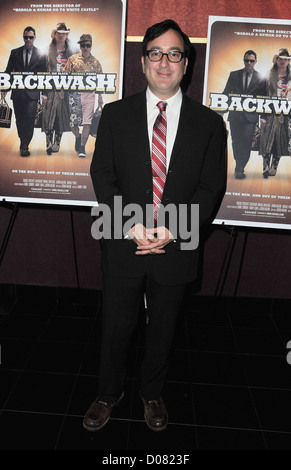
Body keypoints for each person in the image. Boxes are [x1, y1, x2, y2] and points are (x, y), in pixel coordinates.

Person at [84, 19, 226, 433]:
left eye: (174, 54)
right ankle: (108, 393)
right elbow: (103, 175)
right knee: (115, 326)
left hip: (176, 246)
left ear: (186, 64)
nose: (164, 62)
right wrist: (132, 225)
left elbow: (210, 188)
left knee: (163, 328)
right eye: (155, 53)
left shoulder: (209, 124)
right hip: (123, 241)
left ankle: (152, 393)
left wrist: (172, 230)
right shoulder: (114, 115)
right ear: (143, 63)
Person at [222, 50, 267, 179]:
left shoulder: (261, 78)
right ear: (244, 60)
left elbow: (264, 98)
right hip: (235, 115)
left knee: (246, 142)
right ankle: (239, 164)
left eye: (251, 61)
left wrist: (263, 117)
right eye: (246, 60)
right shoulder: (234, 75)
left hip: (251, 117)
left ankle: (240, 167)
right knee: (236, 141)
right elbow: (226, 93)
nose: (249, 63)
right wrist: (220, 110)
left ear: (255, 62)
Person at [1, 26, 46, 156]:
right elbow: (8, 71)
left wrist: (44, 93)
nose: (28, 39)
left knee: (30, 119)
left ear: (34, 38)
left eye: (30, 37)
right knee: (19, 119)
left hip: (32, 94)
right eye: (26, 37)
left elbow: (44, 75)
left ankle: (25, 145)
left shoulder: (40, 54)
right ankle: (23, 142)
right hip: (18, 92)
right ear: (23, 37)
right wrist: (4, 89)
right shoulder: (15, 53)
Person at [42, 22, 79, 155]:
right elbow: (43, 71)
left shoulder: (74, 51)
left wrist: (70, 89)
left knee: (61, 117)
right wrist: (44, 92)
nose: (61, 35)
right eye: (59, 33)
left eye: (64, 33)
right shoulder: (47, 50)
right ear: (55, 34)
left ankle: (57, 141)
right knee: (47, 116)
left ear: (66, 34)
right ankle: (48, 142)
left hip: (66, 89)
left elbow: (77, 71)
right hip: (50, 88)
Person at [63, 34, 103, 158]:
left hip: (90, 95)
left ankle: (82, 147)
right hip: (74, 95)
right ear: (80, 46)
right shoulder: (72, 59)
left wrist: (100, 98)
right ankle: (78, 136)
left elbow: (101, 81)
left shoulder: (96, 63)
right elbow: (64, 75)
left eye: (88, 45)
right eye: (83, 45)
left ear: (91, 46)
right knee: (73, 125)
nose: (85, 47)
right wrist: (62, 90)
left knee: (87, 122)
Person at [260, 48, 291, 178]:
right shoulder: (268, 74)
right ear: (276, 60)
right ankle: (265, 165)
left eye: (285, 59)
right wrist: (262, 116)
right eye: (280, 58)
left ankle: (274, 166)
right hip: (269, 112)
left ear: (288, 61)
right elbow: (262, 95)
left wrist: (286, 114)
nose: (283, 61)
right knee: (266, 139)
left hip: (286, 114)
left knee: (280, 140)